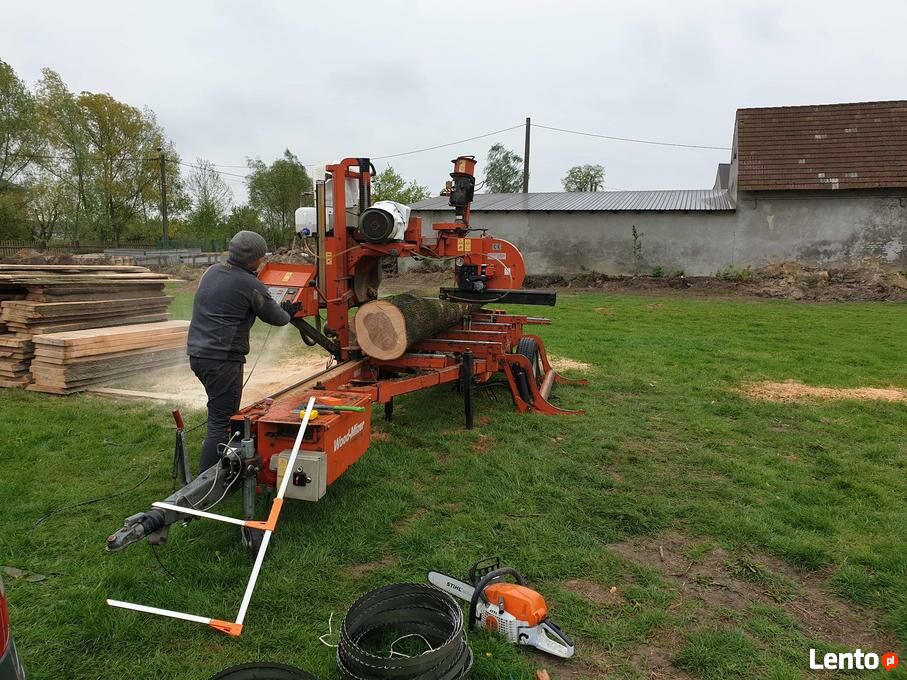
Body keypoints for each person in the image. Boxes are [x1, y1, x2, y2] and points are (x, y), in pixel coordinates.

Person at [187, 230, 300, 471]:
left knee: (218, 412)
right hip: (223, 361)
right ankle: (207, 481)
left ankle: (226, 467)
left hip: (197, 355)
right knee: (221, 421)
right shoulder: (249, 283)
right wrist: (288, 311)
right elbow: (277, 318)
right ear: (252, 259)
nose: (262, 260)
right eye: (261, 257)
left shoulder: (212, 271)